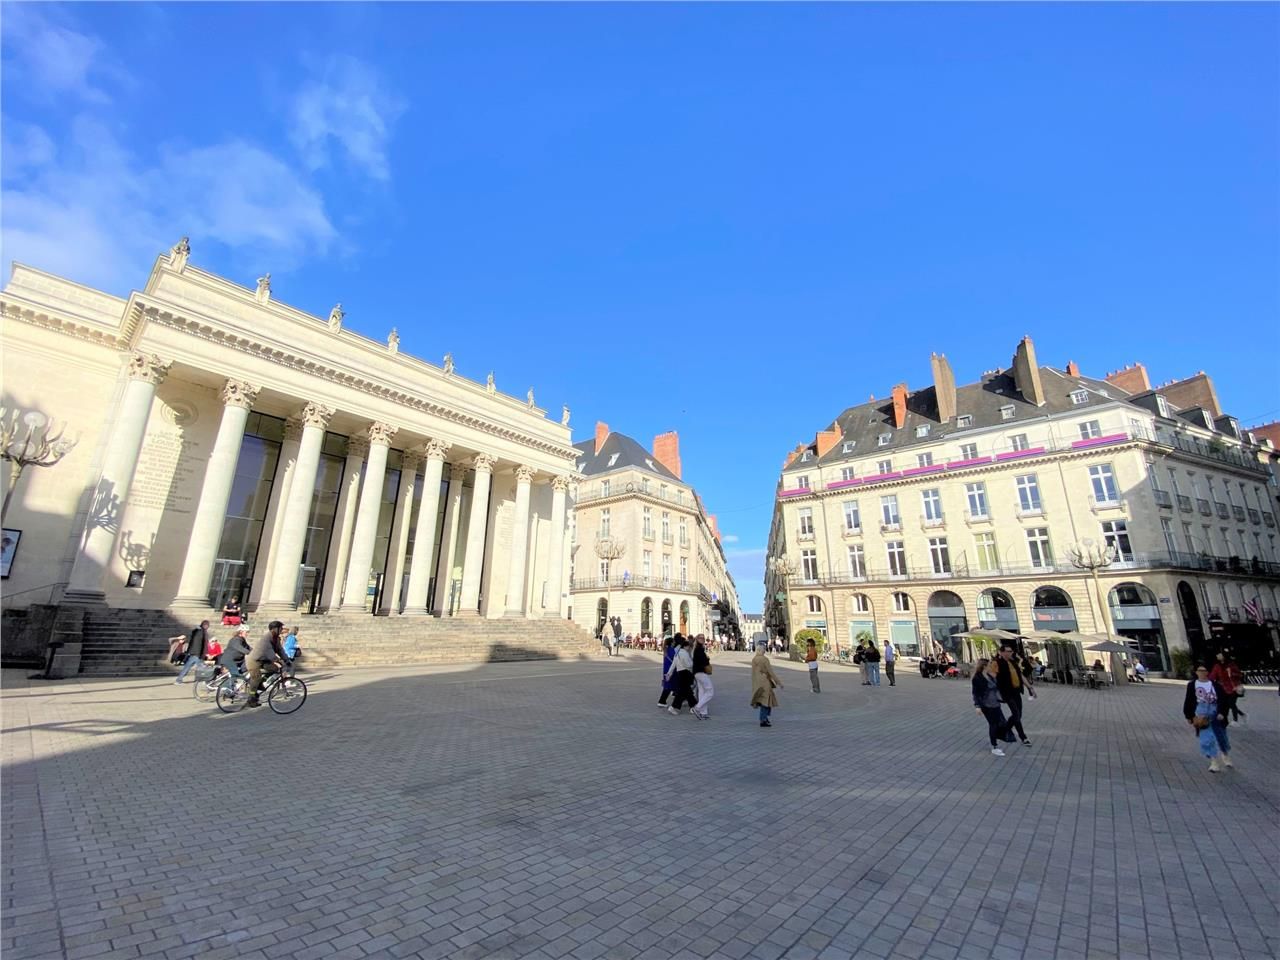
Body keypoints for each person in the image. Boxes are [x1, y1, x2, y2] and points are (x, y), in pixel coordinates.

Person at [1183, 664, 1233, 773]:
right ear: (1196, 672)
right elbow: (1189, 700)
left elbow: (1224, 700)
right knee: (1206, 739)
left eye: (1204, 670)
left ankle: (1225, 754)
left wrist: (1222, 713)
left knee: (1221, 736)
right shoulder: (1192, 685)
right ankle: (1214, 761)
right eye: (1199, 670)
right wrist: (1189, 716)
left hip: (1215, 711)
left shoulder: (1215, 685)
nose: (1201, 673)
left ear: (1207, 672)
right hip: (1200, 712)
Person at [995, 643, 1033, 746]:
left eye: (1011, 651)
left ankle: (1003, 730)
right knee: (1016, 714)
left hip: (1016, 691)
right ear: (1001, 652)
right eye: (1007, 651)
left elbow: (1020, 676)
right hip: (1007, 693)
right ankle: (1023, 737)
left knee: (1018, 714)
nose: (1010, 653)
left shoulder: (1013, 662)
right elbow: (990, 676)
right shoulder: (997, 663)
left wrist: (1029, 687)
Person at [972, 658, 1011, 756]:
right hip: (986, 704)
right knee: (993, 724)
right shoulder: (977, 677)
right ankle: (994, 746)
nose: (991, 666)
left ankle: (997, 741)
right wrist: (977, 706)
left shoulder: (990, 676)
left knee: (999, 723)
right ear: (985, 666)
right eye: (990, 664)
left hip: (995, 703)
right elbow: (975, 693)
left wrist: (1002, 698)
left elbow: (996, 688)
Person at [245, 621, 287, 708]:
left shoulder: (276, 638)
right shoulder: (266, 639)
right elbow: (270, 652)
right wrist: (278, 660)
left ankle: (261, 682)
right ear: (275, 629)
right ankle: (251, 697)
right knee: (256, 678)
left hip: (263, 660)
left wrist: (287, 660)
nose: (282, 630)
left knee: (275, 669)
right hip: (254, 661)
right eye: (280, 628)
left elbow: (280, 650)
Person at [750, 640, 783, 727]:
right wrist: (778, 682)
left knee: (762, 700)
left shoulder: (754, 659)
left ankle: (764, 718)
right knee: (766, 701)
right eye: (764, 649)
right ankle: (763, 719)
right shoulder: (764, 659)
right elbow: (770, 672)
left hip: (757, 682)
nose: (765, 650)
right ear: (762, 650)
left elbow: (753, 672)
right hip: (765, 682)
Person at [665, 636, 697, 715]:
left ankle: (693, 706)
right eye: (688, 647)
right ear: (686, 646)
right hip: (685, 673)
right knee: (685, 691)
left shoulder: (677, 654)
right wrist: (693, 664)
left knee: (685, 691)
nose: (689, 648)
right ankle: (674, 707)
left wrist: (669, 673)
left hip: (680, 673)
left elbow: (673, 665)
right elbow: (688, 664)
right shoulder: (684, 654)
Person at [1209, 651, 1245, 722]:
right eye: (1217, 655)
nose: (1218, 656)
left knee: (1231, 704)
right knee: (1227, 704)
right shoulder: (1217, 666)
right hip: (1223, 689)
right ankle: (1241, 714)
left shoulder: (1231, 665)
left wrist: (1231, 673)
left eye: (1219, 655)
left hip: (1233, 688)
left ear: (1224, 656)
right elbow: (1212, 676)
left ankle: (1235, 720)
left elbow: (1240, 674)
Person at [173, 620, 211, 684]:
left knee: (188, 666)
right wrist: (202, 653)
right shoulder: (201, 632)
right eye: (208, 625)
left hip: (194, 652)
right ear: (205, 625)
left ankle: (179, 680)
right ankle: (205, 680)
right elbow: (200, 644)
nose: (208, 627)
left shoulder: (197, 631)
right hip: (198, 653)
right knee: (202, 667)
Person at [691, 635, 714, 719]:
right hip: (700, 672)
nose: (703, 639)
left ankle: (703, 712)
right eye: (700, 638)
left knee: (702, 692)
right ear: (697, 639)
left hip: (697, 672)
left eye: (703, 638)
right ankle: (697, 708)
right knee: (710, 691)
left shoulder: (697, 649)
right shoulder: (699, 649)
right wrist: (707, 659)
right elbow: (703, 661)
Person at [657, 637, 676, 707]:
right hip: (670, 670)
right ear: (671, 643)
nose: (674, 643)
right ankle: (662, 701)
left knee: (669, 685)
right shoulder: (671, 650)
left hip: (666, 669)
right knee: (668, 686)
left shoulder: (666, 649)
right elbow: (675, 658)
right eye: (673, 642)